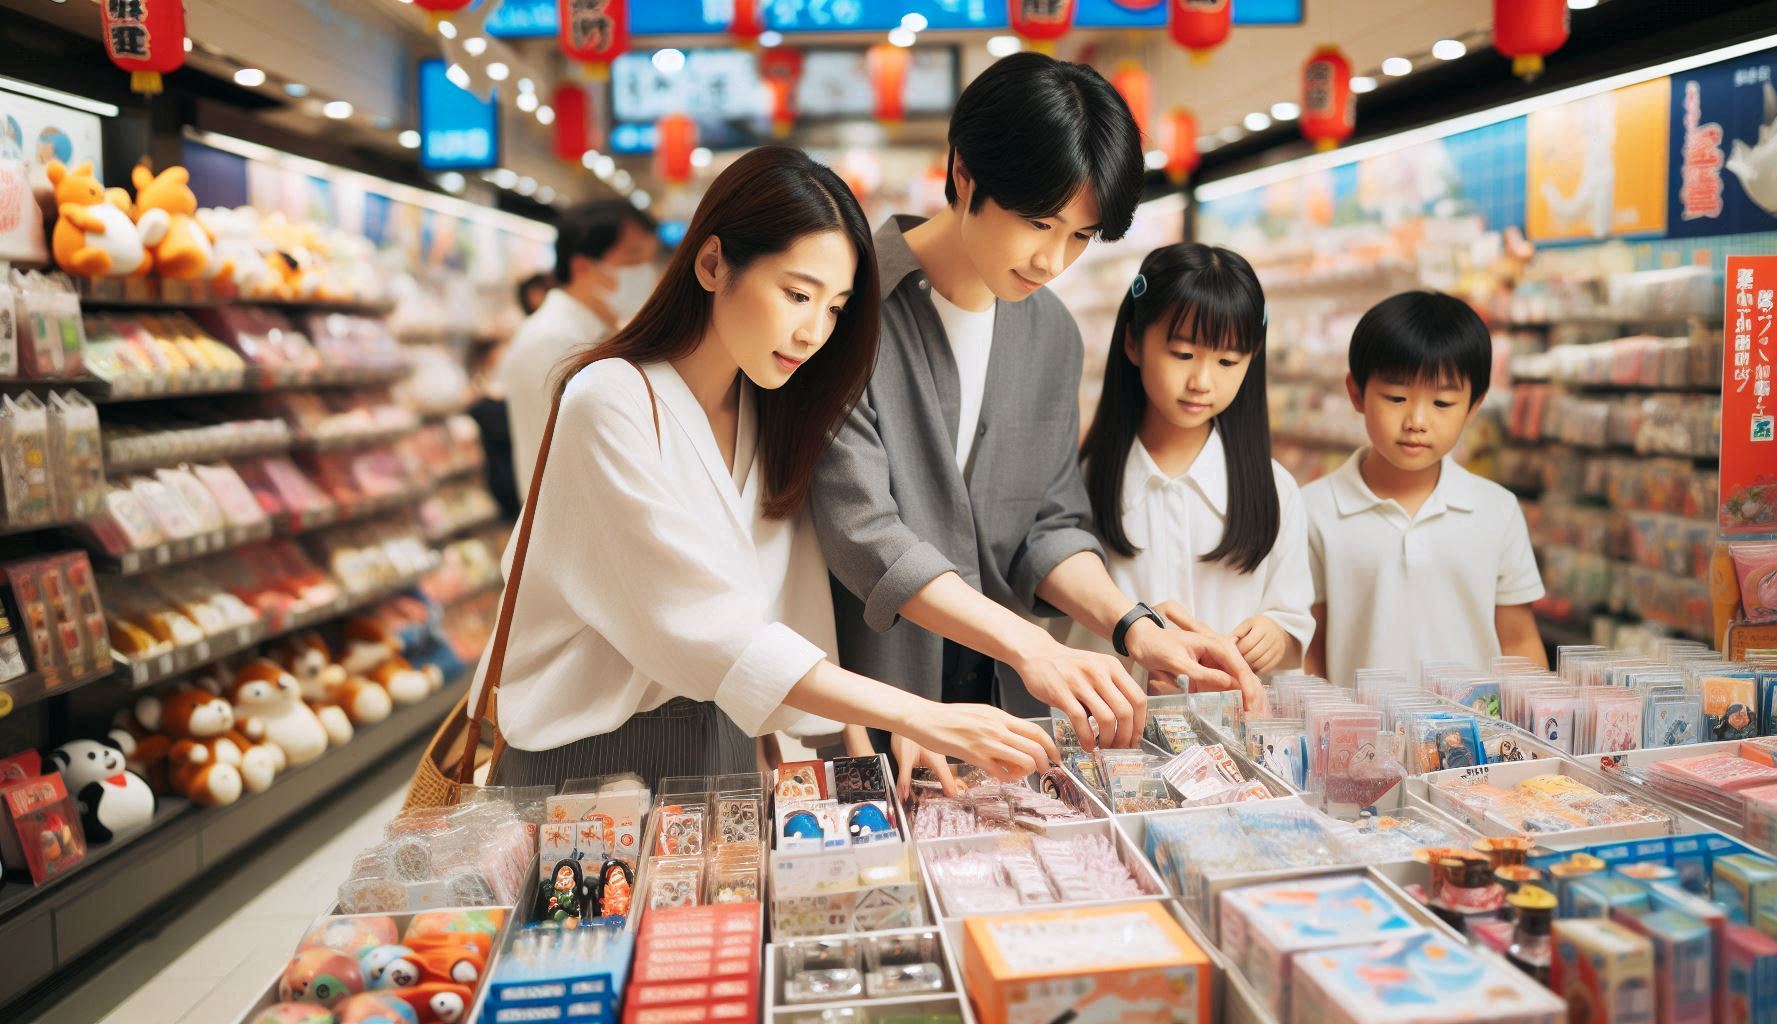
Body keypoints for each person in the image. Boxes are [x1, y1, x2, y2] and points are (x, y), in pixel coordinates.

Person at [472, 146, 1055, 793]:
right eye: (797, 294)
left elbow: (794, 604)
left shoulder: (768, 408)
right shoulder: (611, 400)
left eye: (834, 308)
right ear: (713, 263)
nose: (813, 332)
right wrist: (916, 711)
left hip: (719, 744)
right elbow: (702, 625)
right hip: (585, 761)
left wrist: (865, 729)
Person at [812, 53, 1259, 788]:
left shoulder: (1050, 333)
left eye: (1081, 236)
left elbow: (1048, 523)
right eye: (1039, 222)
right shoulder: (847, 307)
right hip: (872, 709)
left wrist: (1133, 627)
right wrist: (1033, 645)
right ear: (964, 175)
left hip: (1008, 717)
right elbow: (864, 533)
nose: (1053, 259)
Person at [1068, 244, 1314, 676]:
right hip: (1112, 734)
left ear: (1251, 359)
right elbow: (1054, 631)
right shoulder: (1079, 485)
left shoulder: (1275, 489)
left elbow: (1294, 626)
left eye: (1226, 361)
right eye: (1183, 355)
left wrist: (1274, 635)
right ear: (1133, 342)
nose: (1202, 381)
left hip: (1231, 733)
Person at [1304, 291, 1547, 685]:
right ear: (1356, 393)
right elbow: (1309, 648)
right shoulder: (1313, 511)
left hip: (1477, 739)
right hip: (1361, 743)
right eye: (1396, 397)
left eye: (1442, 403)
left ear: (1474, 406)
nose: (1416, 420)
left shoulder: (1496, 510)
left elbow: (1519, 641)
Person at [498, 199, 659, 480]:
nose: (647, 274)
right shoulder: (551, 341)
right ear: (583, 267)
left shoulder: (594, 333)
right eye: (633, 259)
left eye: (649, 260)